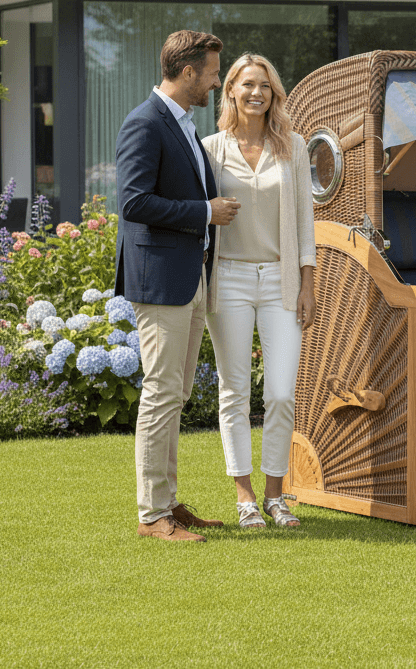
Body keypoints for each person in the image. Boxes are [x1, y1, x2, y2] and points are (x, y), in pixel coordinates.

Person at [116, 30, 241, 542]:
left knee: (176, 393)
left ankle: (166, 503)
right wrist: (204, 213)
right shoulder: (145, 122)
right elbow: (133, 202)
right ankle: (152, 516)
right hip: (162, 281)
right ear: (188, 72)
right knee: (162, 393)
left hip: (189, 277)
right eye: (212, 73)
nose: (216, 82)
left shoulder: (183, 123)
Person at [202, 53, 316, 530]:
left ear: (274, 94)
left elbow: (305, 221)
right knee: (234, 390)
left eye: (265, 86)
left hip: (280, 280)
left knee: (281, 392)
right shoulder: (210, 149)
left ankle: (275, 495)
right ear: (230, 89)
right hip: (227, 277)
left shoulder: (294, 146)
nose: (256, 93)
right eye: (247, 84)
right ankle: (245, 497)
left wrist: (308, 282)